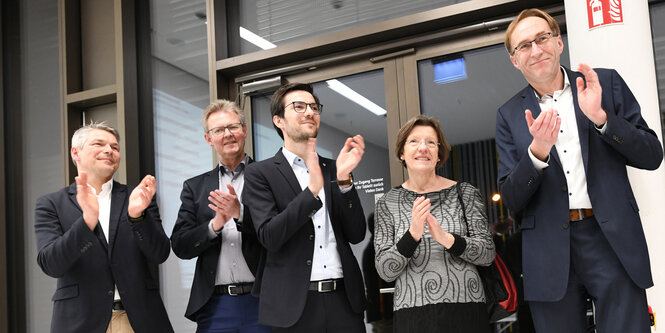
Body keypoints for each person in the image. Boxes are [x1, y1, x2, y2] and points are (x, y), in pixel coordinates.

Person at [495, 8, 663, 333]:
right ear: (515, 60)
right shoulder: (508, 115)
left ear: (558, 41)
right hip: (548, 249)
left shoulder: (605, 83)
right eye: (524, 46)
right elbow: (512, 198)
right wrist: (537, 152)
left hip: (611, 240)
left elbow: (652, 155)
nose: (536, 49)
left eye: (542, 38)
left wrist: (602, 118)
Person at [242, 82, 367, 332]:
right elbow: (269, 236)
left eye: (314, 107)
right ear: (278, 120)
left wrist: (343, 182)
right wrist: (311, 193)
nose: (309, 112)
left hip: (343, 300)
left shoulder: (335, 168)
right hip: (292, 308)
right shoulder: (260, 173)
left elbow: (357, 234)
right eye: (298, 106)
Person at [35, 122, 173, 333]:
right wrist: (87, 222)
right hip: (80, 321)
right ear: (76, 152)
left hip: (138, 320)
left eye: (115, 147)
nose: (109, 150)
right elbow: (51, 264)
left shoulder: (136, 197)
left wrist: (137, 217)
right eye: (98, 144)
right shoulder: (51, 203)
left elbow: (160, 253)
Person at [374, 115, 495, 332]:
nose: (423, 148)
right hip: (411, 313)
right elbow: (385, 270)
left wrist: (447, 239)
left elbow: (487, 254)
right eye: (414, 141)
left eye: (431, 142)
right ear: (402, 152)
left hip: (466, 309)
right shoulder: (387, 203)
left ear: (439, 153)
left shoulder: (464, 193)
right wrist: (412, 235)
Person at [170, 100, 269, 332]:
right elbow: (180, 245)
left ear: (244, 130)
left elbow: (279, 232)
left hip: (263, 298)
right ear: (208, 139)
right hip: (215, 305)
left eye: (233, 127)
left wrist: (240, 214)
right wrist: (214, 225)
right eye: (218, 130)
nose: (228, 134)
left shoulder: (269, 176)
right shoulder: (194, 187)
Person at [361, 213, 394, 333]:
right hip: (384, 313)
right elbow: (377, 286)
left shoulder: (375, 249)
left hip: (384, 312)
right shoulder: (375, 250)